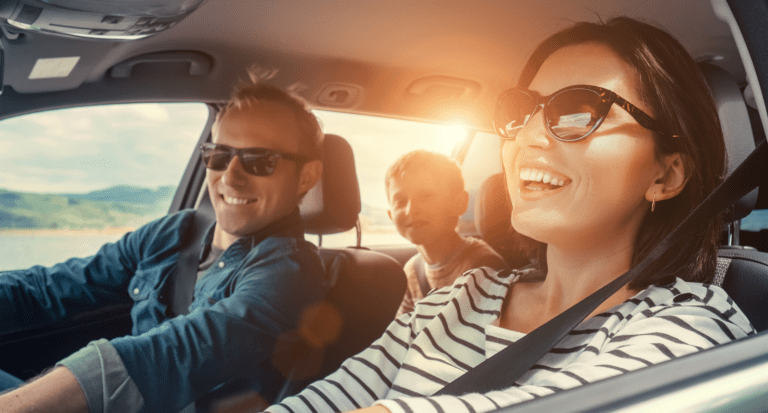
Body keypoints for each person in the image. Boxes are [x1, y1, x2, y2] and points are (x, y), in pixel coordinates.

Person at [264, 17, 756, 413]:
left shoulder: (694, 323)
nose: (526, 137)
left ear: (665, 176)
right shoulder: (455, 299)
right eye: (523, 112)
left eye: (580, 110)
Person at [0, 70, 327, 413]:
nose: (230, 176)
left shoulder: (292, 273)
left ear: (306, 176)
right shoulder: (171, 235)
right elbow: (48, 288)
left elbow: (170, 355)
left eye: (259, 161)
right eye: (218, 155)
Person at [385, 150, 508, 316]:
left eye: (425, 196)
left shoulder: (483, 266)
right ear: (391, 216)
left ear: (459, 203)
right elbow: (403, 331)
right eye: (400, 201)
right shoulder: (412, 270)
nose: (410, 210)